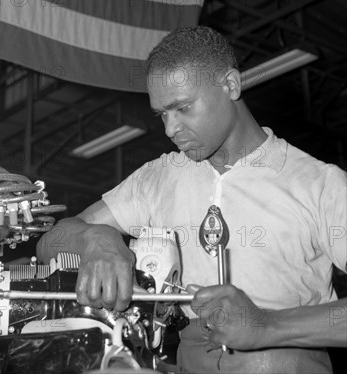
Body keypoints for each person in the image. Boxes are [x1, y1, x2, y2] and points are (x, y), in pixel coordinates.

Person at [36, 26, 347, 373]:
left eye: (182, 108)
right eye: (162, 114)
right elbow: (51, 242)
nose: (170, 129)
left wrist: (267, 326)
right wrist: (95, 239)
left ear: (230, 85)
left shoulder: (319, 184)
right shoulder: (158, 178)